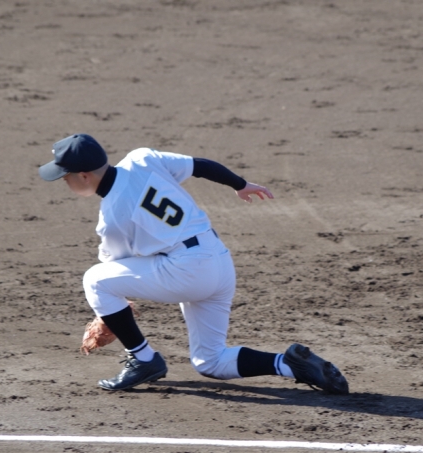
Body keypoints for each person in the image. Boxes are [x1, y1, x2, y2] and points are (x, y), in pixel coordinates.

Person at [38, 133, 349, 394]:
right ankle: (289, 364)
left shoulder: (112, 219)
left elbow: (113, 278)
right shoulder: (142, 158)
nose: (64, 182)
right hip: (219, 261)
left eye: (65, 176)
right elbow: (200, 166)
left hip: (187, 272)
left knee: (94, 279)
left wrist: (106, 317)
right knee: (210, 362)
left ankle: (143, 359)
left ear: (84, 175)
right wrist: (239, 184)